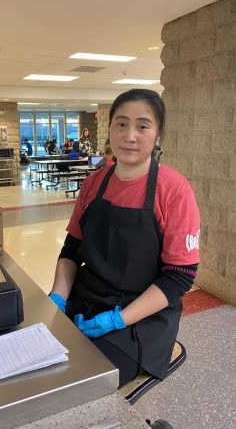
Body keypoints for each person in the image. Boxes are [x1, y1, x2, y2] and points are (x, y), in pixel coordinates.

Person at [49, 89, 200, 387]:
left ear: (158, 135)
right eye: (121, 124)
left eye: (143, 126)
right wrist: (57, 298)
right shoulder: (94, 183)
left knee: (78, 384)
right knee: (41, 368)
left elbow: (180, 277)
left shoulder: (174, 190)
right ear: (110, 130)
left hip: (141, 320)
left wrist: (119, 319)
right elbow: (71, 250)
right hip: (85, 302)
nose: (130, 135)